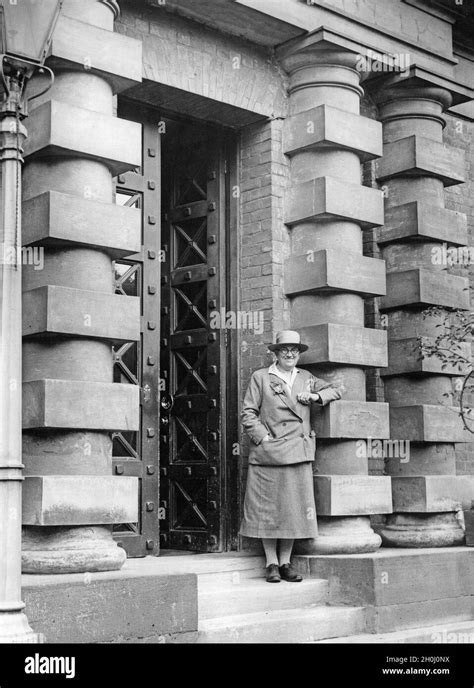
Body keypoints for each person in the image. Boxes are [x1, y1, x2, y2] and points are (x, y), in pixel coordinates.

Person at [240, 330, 342, 583]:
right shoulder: (262, 377)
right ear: (275, 353)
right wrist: (263, 438)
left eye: (294, 350)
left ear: (299, 354)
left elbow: (337, 390)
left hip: (298, 451)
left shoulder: (306, 378)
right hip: (269, 453)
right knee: (268, 508)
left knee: (293, 509)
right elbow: (248, 413)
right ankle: (271, 563)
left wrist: (317, 396)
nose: (289, 354)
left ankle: (286, 562)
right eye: (284, 349)